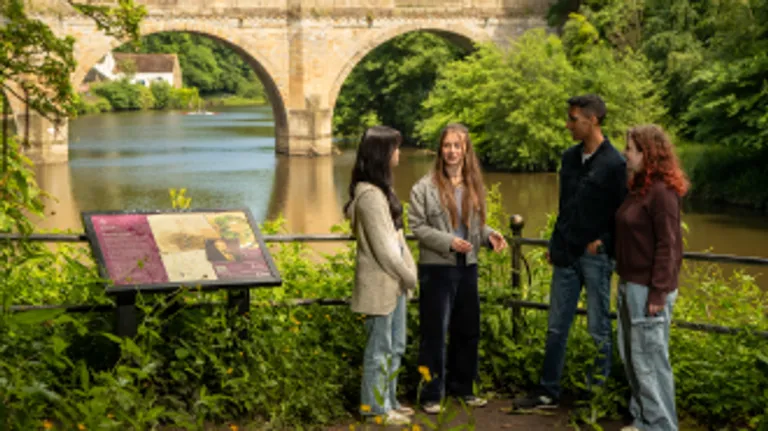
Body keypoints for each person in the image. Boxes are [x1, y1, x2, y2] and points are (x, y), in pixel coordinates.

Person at [514, 95, 627, 410]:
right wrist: (554, 243)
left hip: (595, 258)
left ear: (593, 120)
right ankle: (548, 392)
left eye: (573, 119)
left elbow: (622, 212)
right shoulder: (568, 158)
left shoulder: (615, 164)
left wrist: (603, 240)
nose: (568, 124)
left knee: (597, 326)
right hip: (565, 253)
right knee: (556, 325)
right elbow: (565, 207)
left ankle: (596, 395)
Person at [409, 123, 507, 414]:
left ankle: (463, 387)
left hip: (468, 265)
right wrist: (449, 242)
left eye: (457, 146)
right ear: (440, 149)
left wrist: (489, 235)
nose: (452, 151)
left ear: (466, 150)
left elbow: (473, 226)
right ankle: (430, 392)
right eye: (447, 145)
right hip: (437, 267)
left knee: (468, 329)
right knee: (434, 331)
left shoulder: (474, 184)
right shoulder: (423, 188)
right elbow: (417, 227)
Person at [615, 125, 687, 431]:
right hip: (631, 284)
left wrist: (658, 293)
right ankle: (644, 419)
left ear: (648, 153)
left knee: (650, 363)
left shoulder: (662, 193)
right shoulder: (639, 188)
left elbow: (668, 245)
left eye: (630, 148)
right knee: (634, 359)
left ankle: (660, 426)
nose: (625, 153)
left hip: (648, 291)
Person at [344, 125, 417, 426]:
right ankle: (373, 409)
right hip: (380, 284)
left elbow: (398, 240)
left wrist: (407, 273)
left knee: (395, 345)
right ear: (382, 153)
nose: (399, 153)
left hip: (394, 283)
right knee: (379, 348)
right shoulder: (370, 196)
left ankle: (388, 402)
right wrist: (410, 276)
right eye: (395, 148)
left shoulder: (382, 191)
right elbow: (386, 250)